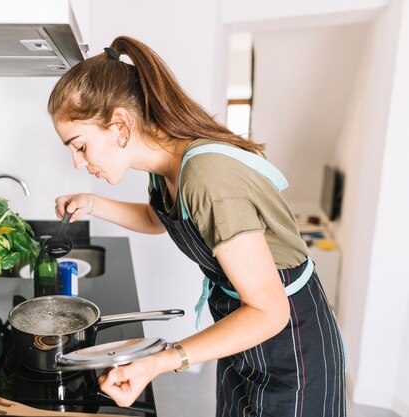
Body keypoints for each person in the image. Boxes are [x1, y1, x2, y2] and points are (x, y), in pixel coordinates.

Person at [48, 36, 346, 417]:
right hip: (244, 334)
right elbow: (159, 220)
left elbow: (270, 312)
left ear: (120, 125)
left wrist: (162, 360)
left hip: (293, 349)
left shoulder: (206, 175)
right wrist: (92, 204)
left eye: (80, 146)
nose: (77, 162)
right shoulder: (165, 166)